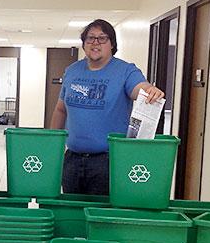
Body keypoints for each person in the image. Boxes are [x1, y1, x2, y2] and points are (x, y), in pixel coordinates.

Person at [50, 19, 164, 196]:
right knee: (72, 214)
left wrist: (149, 90)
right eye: (90, 38)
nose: (95, 43)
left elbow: (139, 89)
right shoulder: (72, 71)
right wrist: (52, 146)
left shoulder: (125, 71)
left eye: (102, 38)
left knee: (101, 217)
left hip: (108, 162)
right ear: (84, 43)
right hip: (72, 160)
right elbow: (60, 109)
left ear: (112, 44)